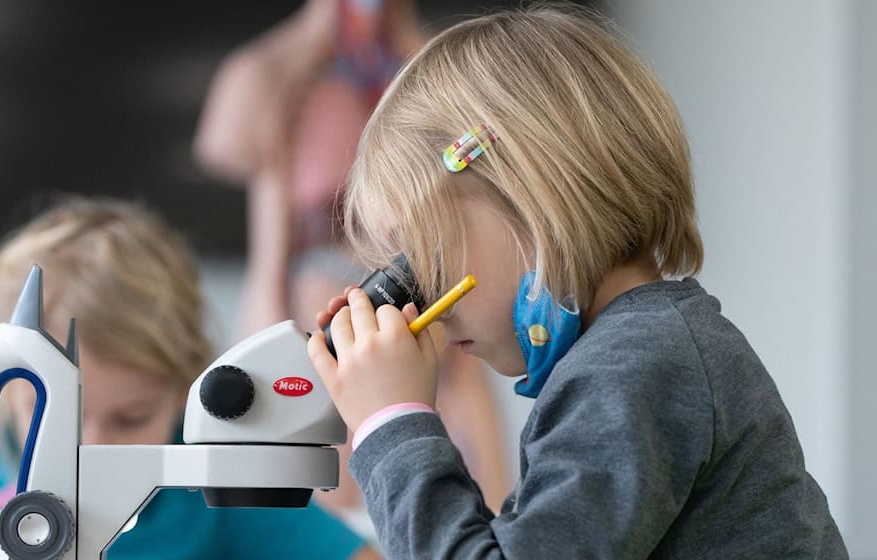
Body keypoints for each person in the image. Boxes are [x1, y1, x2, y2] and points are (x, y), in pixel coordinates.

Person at [307, 5, 848, 558]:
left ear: (529, 195)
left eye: (428, 252)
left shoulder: (637, 365)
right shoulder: (637, 353)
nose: (433, 305)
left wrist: (391, 422)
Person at [0, 197, 379, 560]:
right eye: (50, 416)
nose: (91, 447)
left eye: (131, 417)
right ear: (6, 384)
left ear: (186, 390)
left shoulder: (213, 468)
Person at [192, 0, 511, 520]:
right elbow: (226, 145)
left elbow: (484, 140)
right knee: (322, 411)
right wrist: (313, 34)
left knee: (455, 403)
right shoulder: (281, 74)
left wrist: (408, 40)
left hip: (420, 267)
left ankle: (500, 530)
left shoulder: (422, 63)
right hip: (320, 269)